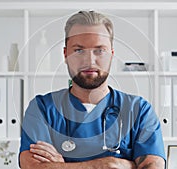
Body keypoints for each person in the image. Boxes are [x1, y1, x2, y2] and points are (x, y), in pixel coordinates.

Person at [19, 11, 165, 169]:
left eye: (99, 50)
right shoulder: (42, 109)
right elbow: (33, 166)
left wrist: (61, 166)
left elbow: (153, 166)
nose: (89, 60)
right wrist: (110, 164)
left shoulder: (139, 110)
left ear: (111, 54)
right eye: (79, 50)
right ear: (65, 54)